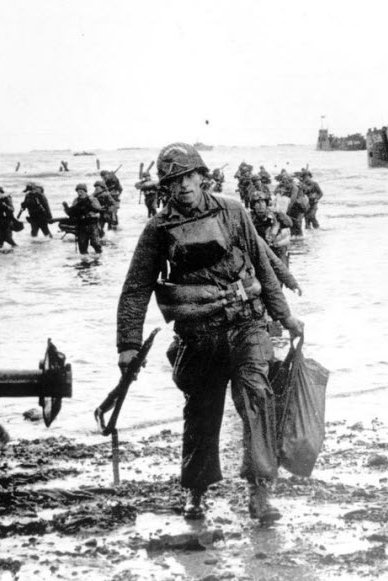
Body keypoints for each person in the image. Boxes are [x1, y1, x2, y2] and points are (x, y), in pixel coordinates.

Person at [116, 142, 304, 523]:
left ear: (201, 176)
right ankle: (196, 491)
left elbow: (263, 267)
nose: (184, 185)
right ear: (165, 187)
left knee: (256, 398)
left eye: (189, 176)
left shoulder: (233, 211)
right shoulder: (158, 229)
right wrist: (128, 345)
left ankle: (259, 490)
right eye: (174, 180)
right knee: (201, 410)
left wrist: (285, 316)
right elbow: (136, 288)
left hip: (246, 325)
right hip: (198, 335)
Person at [249, 189, 292, 268]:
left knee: (282, 269)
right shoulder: (250, 217)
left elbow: (289, 223)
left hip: (277, 247)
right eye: (257, 203)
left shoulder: (275, 214)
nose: (261, 205)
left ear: (266, 203)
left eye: (263, 202)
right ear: (253, 205)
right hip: (262, 248)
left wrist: (280, 214)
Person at [63, 183, 102, 254]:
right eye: (78, 191)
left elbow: (99, 209)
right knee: (82, 246)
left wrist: (91, 203)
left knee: (95, 243)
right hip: (81, 225)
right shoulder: (76, 201)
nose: (79, 193)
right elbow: (72, 212)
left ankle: (99, 256)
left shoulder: (92, 199)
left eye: (81, 191)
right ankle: (85, 259)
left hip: (92, 223)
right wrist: (66, 208)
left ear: (85, 191)